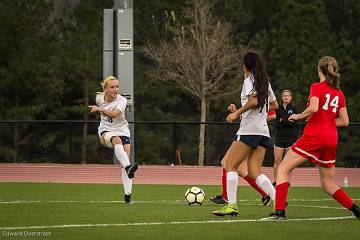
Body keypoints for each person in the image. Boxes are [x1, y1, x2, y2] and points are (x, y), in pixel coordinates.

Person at [264, 56, 360, 220]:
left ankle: (279, 212)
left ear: (319, 69)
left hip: (314, 136)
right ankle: (356, 209)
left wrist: (299, 116)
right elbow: (345, 121)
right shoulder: (339, 92)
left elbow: (314, 107)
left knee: (283, 169)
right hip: (331, 139)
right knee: (328, 184)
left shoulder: (317, 86)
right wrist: (325, 121)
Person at [212, 51, 278, 216]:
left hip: (249, 130)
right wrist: (243, 112)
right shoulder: (265, 82)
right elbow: (275, 104)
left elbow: (254, 101)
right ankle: (279, 202)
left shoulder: (249, 80)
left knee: (230, 165)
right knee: (255, 172)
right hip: (263, 131)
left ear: (245, 66)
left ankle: (231, 206)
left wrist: (237, 113)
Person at [209, 110, 276, 206]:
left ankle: (226, 197)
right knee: (243, 170)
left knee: (227, 163)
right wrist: (237, 111)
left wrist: (239, 113)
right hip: (252, 131)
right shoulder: (253, 99)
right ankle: (267, 195)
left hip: (250, 133)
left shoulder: (256, 96)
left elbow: (272, 112)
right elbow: (251, 111)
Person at [89, 76, 138, 204]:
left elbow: (114, 114)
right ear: (105, 89)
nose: (116, 89)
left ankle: (127, 196)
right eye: (112, 87)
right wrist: (100, 107)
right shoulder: (99, 98)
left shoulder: (122, 100)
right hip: (106, 132)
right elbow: (100, 100)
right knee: (116, 140)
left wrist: (100, 109)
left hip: (122, 131)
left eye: (117, 86)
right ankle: (128, 167)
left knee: (125, 162)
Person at [273, 90, 299, 185]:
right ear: (281, 97)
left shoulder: (295, 108)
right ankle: (276, 180)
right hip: (280, 137)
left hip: (291, 138)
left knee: (289, 162)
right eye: (284, 96)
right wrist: (287, 120)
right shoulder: (278, 109)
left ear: (291, 97)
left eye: (288, 95)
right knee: (277, 160)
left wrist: (282, 120)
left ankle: (287, 181)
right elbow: (277, 124)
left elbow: (293, 123)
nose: (286, 97)